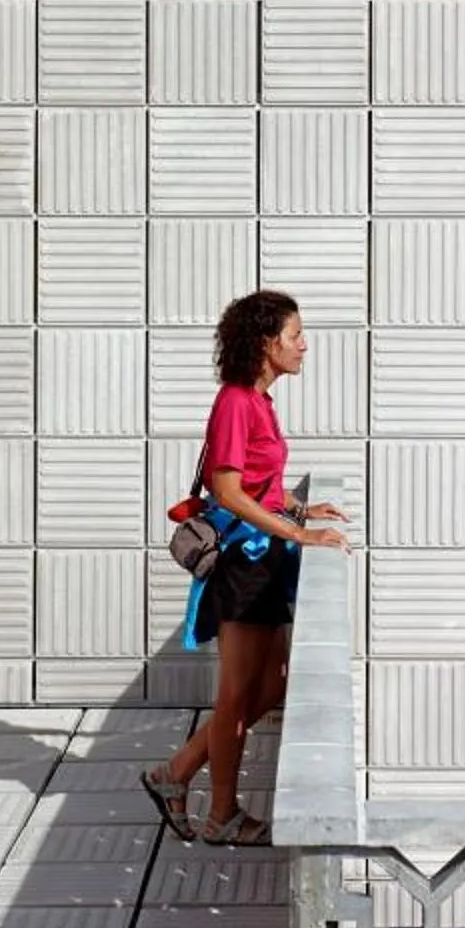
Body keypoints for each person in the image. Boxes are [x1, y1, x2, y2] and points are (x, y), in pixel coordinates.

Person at [143, 289, 346, 848]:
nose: (304, 346)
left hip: (264, 560)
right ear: (265, 343)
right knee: (237, 695)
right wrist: (301, 532)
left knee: (272, 684)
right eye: (294, 335)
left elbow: (261, 484)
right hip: (243, 563)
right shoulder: (235, 401)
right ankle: (221, 813)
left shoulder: (259, 401)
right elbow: (227, 490)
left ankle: (176, 773)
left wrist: (302, 508)